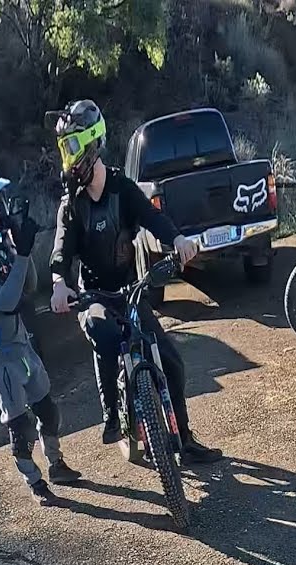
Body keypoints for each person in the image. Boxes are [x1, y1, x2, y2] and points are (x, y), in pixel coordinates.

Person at [47, 99, 223, 463]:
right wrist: (58, 284)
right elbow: (61, 250)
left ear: (93, 142)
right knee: (104, 333)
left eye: (73, 145)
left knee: (173, 363)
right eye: (64, 147)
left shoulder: (122, 189)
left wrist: (177, 240)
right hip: (93, 295)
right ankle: (113, 414)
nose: (68, 156)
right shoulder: (71, 206)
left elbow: (152, 218)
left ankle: (184, 440)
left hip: (131, 291)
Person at [0, 166, 81, 506]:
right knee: (19, 427)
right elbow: (6, 300)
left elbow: (31, 286)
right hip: (0, 358)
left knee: (48, 410)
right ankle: (35, 483)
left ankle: (56, 463)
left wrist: (15, 242)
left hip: (22, 345)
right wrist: (21, 254)